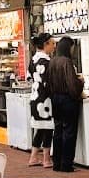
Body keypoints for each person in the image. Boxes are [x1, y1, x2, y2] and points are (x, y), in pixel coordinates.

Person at [45, 36, 83, 173]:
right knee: (69, 132)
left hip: (55, 99)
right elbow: (72, 85)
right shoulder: (67, 62)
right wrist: (81, 82)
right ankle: (67, 164)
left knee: (58, 130)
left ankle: (57, 163)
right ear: (68, 47)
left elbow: (48, 83)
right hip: (68, 101)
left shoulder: (53, 61)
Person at [27, 33, 55, 168]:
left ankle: (33, 157)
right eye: (52, 43)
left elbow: (29, 78)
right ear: (45, 45)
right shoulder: (46, 62)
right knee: (48, 128)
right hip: (45, 99)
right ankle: (46, 159)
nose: (54, 46)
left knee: (39, 128)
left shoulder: (33, 60)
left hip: (35, 96)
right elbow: (49, 82)